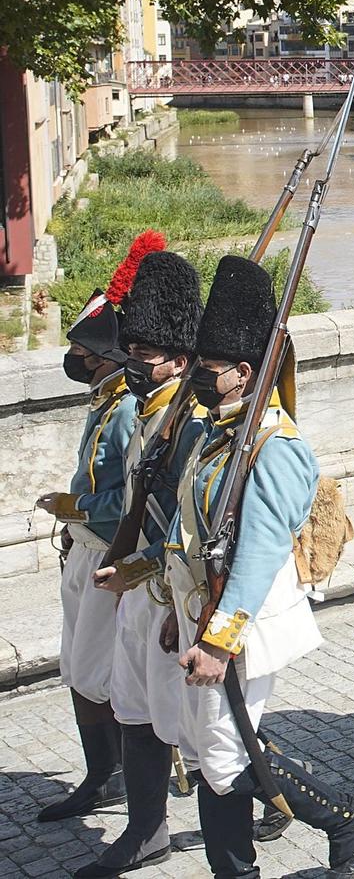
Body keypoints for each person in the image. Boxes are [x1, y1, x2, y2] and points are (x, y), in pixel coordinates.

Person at [162, 254, 354, 877]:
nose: (200, 377)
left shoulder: (275, 445)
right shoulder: (215, 433)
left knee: (227, 759)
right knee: (210, 756)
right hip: (205, 609)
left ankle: (342, 814)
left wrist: (219, 640)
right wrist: (177, 612)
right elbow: (191, 531)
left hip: (243, 619)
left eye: (209, 368)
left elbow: (257, 552)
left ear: (244, 371)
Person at [80, 248, 206, 876]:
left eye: (145, 356)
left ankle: (322, 807)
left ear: (179, 362)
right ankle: (146, 830)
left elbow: (191, 521)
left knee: (205, 730)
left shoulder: (191, 425)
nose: (134, 363)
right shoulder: (151, 414)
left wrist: (143, 568)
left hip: (170, 589)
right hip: (138, 587)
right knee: (134, 707)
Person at [34, 232, 150, 826]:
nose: (76, 359)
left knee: (97, 673)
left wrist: (75, 508)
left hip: (108, 550)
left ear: (109, 357)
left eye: (85, 350)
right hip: (83, 551)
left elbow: (130, 500)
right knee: (78, 668)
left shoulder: (128, 405)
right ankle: (105, 773)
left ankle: (115, 777)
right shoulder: (107, 400)